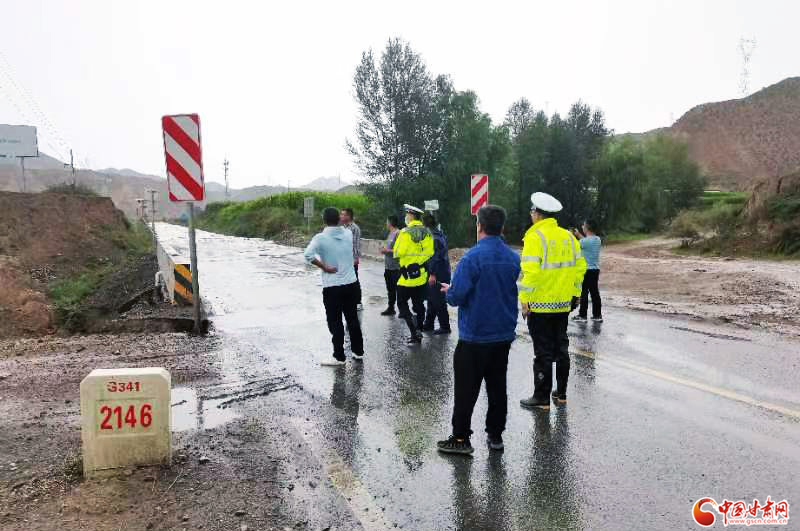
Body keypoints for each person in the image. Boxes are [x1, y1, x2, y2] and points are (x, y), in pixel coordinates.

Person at [436, 205, 521, 455]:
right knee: (497, 387)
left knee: (466, 389)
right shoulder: (513, 257)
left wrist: (449, 291)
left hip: (475, 336)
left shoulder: (471, 258)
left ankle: (461, 438)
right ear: (502, 228)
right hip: (502, 334)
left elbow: (457, 297)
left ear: (479, 226)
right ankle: (495, 436)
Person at [518, 193, 586, 410]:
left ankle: (541, 398)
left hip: (540, 305)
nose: (531, 215)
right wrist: (575, 294)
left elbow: (530, 273)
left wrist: (524, 300)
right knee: (561, 348)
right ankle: (561, 393)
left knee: (543, 352)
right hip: (563, 303)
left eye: (532, 211)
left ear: (537, 214)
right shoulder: (569, 237)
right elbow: (580, 269)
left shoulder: (534, 237)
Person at [304, 207, 364, 366]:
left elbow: (308, 255)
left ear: (324, 220)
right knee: (352, 318)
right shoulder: (348, 234)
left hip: (333, 287)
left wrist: (324, 267)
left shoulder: (320, 238)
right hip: (351, 283)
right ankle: (358, 351)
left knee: (335, 321)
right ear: (339, 219)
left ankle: (339, 356)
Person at [393, 204, 434, 345]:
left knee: (401, 303)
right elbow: (430, 252)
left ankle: (413, 329)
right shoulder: (427, 232)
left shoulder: (405, 232)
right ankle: (419, 329)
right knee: (418, 304)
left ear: (410, 216)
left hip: (407, 277)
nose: (406, 216)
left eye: (407, 214)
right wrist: (418, 259)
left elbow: (398, 252)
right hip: (421, 275)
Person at [422, 214, 451, 334]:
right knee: (432, 298)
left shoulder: (433, 238)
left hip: (438, 273)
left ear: (424, 225)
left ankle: (445, 326)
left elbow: (434, 258)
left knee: (438, 300)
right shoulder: (440, 234)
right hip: (443, 271)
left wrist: (432, 274)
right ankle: (428, 324)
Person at [572, 220, 603, 322]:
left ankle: (582, 316)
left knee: (583, 292)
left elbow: (575, 245)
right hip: (595, 270)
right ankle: (597, 315)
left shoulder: (584, 242)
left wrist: (572, 236)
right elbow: (586, 241)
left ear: (587, 228)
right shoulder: (597, 239)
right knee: (595, 292)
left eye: (583, 226)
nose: (582, 227)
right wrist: (579, 235)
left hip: (585, 270)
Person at [340, 208, 363, 311]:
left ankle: (358, 302)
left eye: (343, 215)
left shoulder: (354, 228)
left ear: (349, 216)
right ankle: (346, 300)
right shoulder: (342, 227)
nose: (341, 216)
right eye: (341, 214)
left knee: (354, 281)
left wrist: (356, 258)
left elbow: (355, 244)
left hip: (351, 259)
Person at [379, 215, 402, 316]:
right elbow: (389, 247)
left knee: (399, 290)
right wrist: (384, 249)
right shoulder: (390, 234)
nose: (386, 223)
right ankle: (391, 308)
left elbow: (400, 251)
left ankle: (402, 310)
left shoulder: (398, 233)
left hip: (396, 268)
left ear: (390, 222)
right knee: (390, 290)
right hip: (388, 267)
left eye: (387, 221)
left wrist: (387, 251)